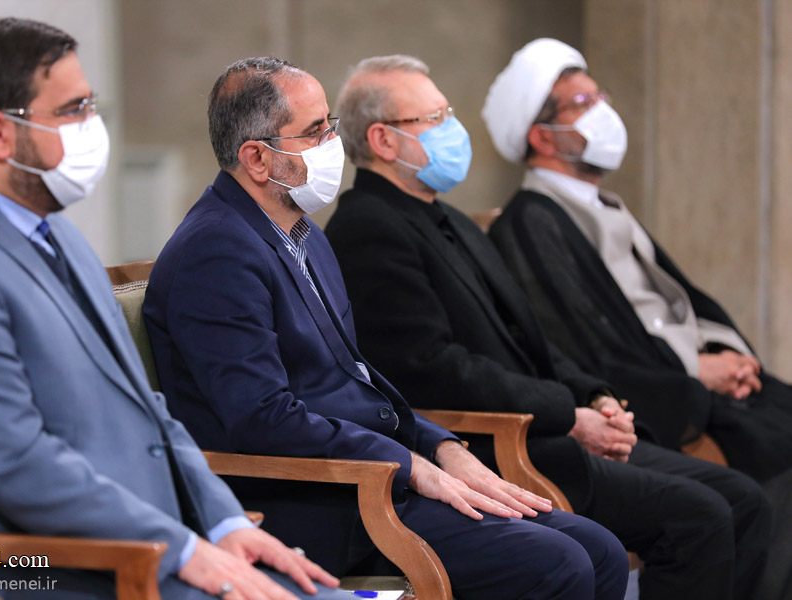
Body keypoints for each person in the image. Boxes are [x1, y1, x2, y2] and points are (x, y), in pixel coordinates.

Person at [143, 56, 628, 600]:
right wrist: (408, 465)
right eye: (315, 131)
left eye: (330, 124)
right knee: (558, 563)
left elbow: (354, 377)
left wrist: (442, 447)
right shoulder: (216, 252)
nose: (333, 143)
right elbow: (263, 418)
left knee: (599, 549)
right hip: (317, 500)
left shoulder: (303, 234)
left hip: (372, 475)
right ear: (257, 158)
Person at [0, 18, 344, 600]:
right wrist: (185, 549)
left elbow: (149, 412)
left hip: (151, 542)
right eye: (72, 109)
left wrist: (224, 522)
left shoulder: (56, 233)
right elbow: (17, 465)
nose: (93, 125)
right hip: (35, 568)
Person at [323, 53, 771, 600]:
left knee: (742, 498)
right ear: (384, 141)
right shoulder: (368, 227)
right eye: (435, 118)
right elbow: (433, 369)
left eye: (448, 113)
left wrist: (595, 395)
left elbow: (529, 339)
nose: (452, 128)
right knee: (701, 516)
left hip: (548, 426)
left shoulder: (448, 217)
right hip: (504, 446)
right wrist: (569, 415)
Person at [483, 38, 792, 600]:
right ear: (542, 136)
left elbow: (678, 299)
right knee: (768, 457)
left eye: (598, 95)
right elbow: (582, 340)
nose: (602, 110)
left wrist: (726, 354)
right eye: (582, 103)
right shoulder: (531, 221)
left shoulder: (605, 204)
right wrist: (694, 371)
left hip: (681, 370)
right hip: (643, 392)